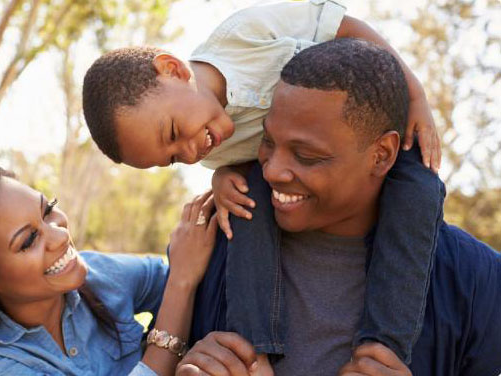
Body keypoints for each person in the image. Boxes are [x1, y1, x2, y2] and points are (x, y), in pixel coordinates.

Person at [81, 1, 443, 372]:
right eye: (172, 158)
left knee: (422, 190)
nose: (190, 152)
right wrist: (222, 176)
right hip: (297, 180)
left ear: (172, 69)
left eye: (173, 132)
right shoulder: (210, 148)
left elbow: (346, 27)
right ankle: (254, 351)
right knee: (245, 203)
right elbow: (247, 162)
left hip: (377, 130)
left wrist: (415, 96)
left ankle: (383, 350)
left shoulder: (244, 35)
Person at [179, 38, 501, 376]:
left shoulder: (479, 284)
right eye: (268, 142)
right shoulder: (208, 249)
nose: (271, 170)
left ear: (383, 154)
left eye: (307, 156)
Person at [0, 160, 225, 375]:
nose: (61, 235)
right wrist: (180, 289)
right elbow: (182, 279)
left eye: (48, 210)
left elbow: (198, 273)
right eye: (28, 240)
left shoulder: (97, 275)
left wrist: (226, 178)